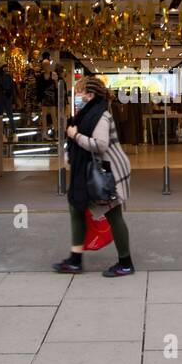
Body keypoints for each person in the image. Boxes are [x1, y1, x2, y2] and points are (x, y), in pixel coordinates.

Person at [53, 76, 135, 277]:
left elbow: (100, 145)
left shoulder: (100, 115)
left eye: (79, 93)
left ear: (89, 95)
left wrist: (75, 135)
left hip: (108, 173)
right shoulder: (87, 114)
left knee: (113, 215)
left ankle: (125, 263)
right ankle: (75, 259)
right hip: (95, 171)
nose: (76, 97)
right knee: (77, 208)